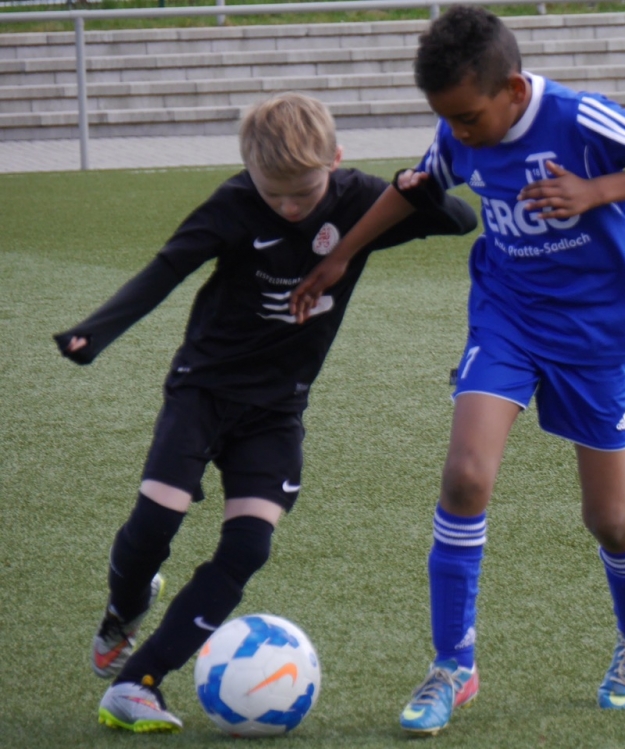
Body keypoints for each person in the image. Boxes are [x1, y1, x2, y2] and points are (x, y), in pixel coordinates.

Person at [290, 5, 625, 736]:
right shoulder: (460, 131)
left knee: (608, 519)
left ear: (513, 90)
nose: (458, 132)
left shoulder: (579, 118)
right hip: (506, 320)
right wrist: (342, 255)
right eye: (446, 119)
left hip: (593, 335)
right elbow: (418, 185)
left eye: (467, 118)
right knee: (465, 476)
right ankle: (453, 664)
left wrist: (595, 190)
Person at [54, 92, 477, 734]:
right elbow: (168, 268)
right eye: (273, 193)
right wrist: (97, 331)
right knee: (155, 524)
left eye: (302, 193)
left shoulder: (360, 200)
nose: (289, 207)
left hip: (277, 409)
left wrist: (418, 191)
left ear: (335, 160)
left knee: (248, 547)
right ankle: (126, 606)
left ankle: (137, 683)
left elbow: (460, 221)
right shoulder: (233, 203)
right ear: (248, 168)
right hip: (203, 391)